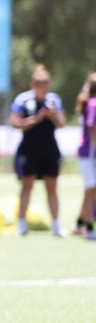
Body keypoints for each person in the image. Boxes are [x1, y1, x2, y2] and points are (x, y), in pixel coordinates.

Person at [10, 64, 66, 237]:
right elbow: (16, 123)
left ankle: (56, 225)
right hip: (29, 149)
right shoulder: (23, 100)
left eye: (46, 84)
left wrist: (53, 115)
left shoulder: (53, 100)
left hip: (49, 149)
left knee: (52, 186)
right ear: (33, 84)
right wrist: (36, 119)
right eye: (39, 84)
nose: (43, 87)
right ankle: (21, 223)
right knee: (27, 185)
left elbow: (62, 123)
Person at [71, 73, 96, 238]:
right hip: (90, 153)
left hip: (88, 153)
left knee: (91, 189)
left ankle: (81, 224)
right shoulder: (94, 104)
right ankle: (89, 227)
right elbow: (92, 129)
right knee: (91, 189)